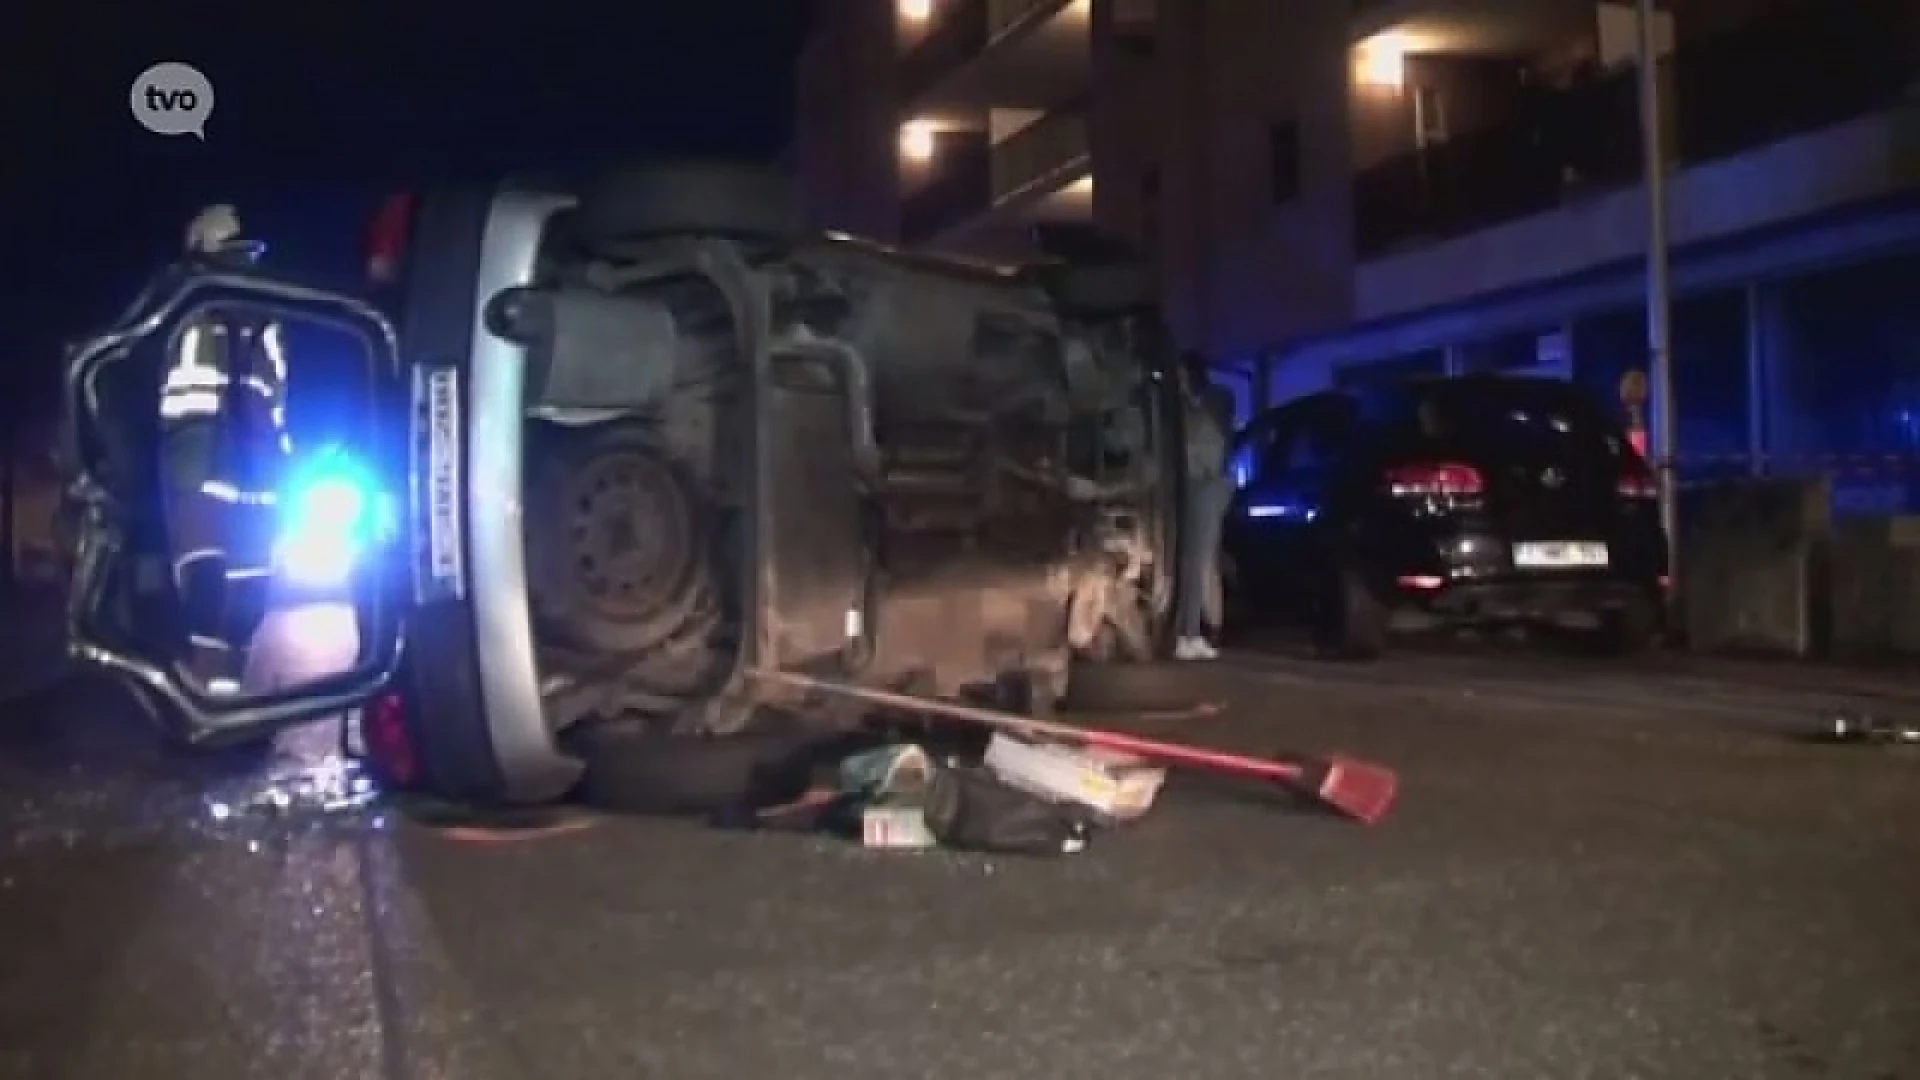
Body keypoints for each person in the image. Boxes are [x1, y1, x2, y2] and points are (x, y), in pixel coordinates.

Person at [1174, 350, 1235, 660]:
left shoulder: (1210, 406)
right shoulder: (1192, 411)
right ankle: (1188, 632)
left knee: (1197, 562)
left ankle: (1192, 632)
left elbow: (1205, 452)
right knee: (1193, 562)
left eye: (1182, 374)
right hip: (1198, 487)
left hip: (1205, 487)